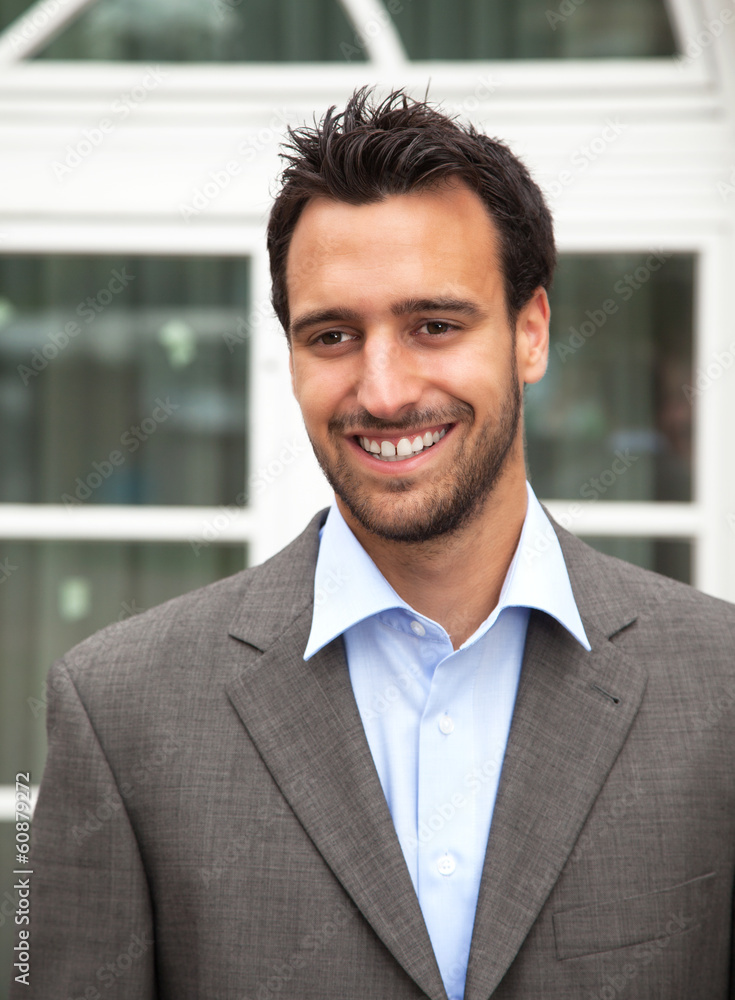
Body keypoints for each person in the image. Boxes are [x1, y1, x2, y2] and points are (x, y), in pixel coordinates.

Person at [13, 88, 735, 1000]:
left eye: (433, 324)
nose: (383, 390)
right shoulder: (120, 712)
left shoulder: (722, 686)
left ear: (530, 332)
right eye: (333, 335)